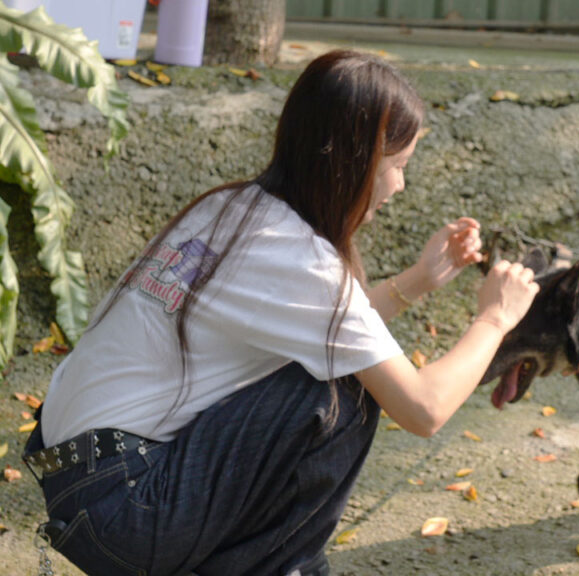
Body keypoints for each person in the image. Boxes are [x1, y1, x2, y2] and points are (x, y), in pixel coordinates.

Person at [21, 49, 538, 576]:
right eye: (397, 167)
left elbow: (325, 328)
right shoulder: (299, 258)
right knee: (344, 394)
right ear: (352, 162)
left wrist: (417, 282)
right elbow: (424, 408)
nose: (400, 186)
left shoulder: (228, 209)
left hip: (80, 483)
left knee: (334, 366)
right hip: (124, 512)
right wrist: (495, 319)